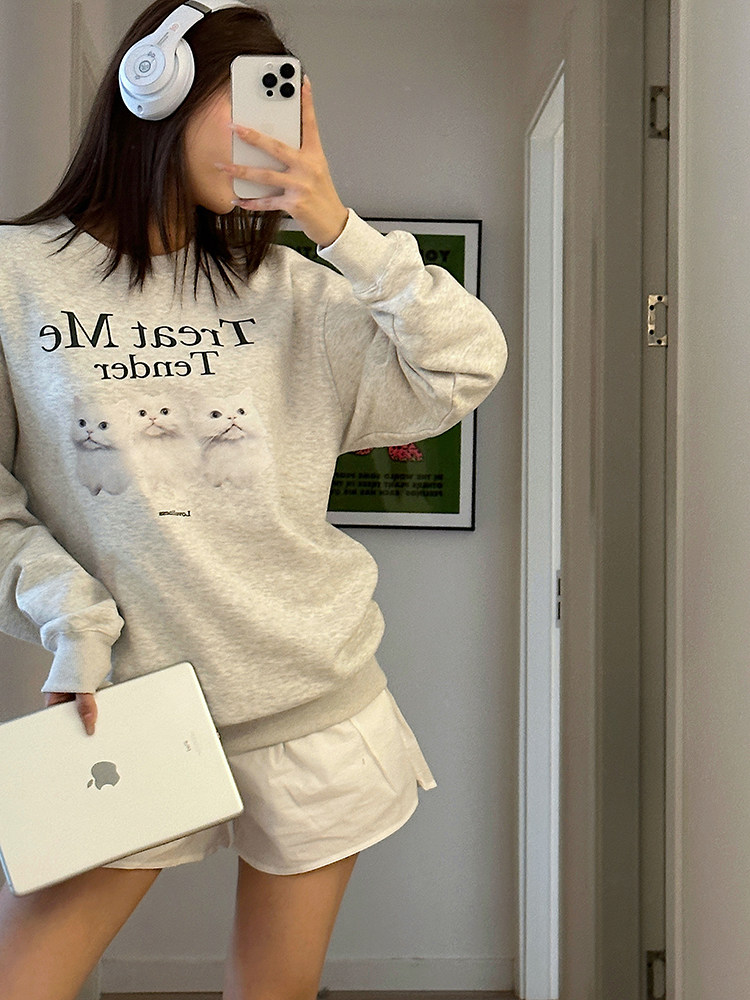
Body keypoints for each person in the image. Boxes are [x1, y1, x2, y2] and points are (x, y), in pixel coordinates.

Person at [0, 1, 507, 997]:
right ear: (153, 89)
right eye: (246, 101)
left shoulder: (297, 292)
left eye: (285, 107)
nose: (268, 134)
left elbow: (466, 362)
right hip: (124, 709)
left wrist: (337, 226)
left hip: (314, 701)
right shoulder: (16, 278)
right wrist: (72, 618)